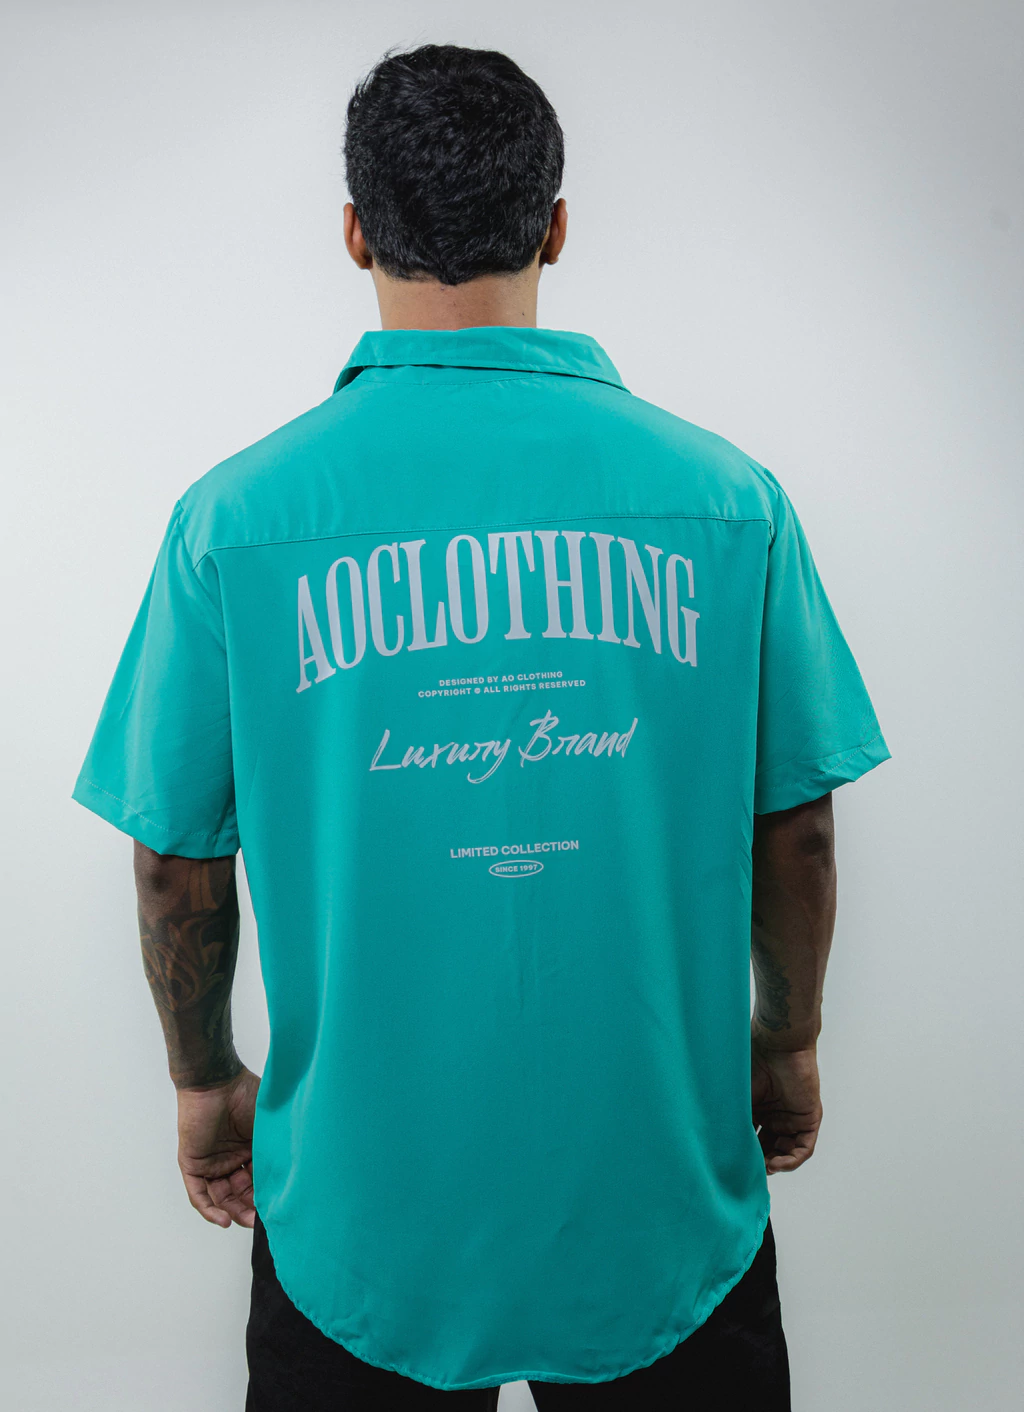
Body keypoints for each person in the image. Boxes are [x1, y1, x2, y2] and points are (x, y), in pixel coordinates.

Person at [73, 44, 890, 1411]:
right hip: (657, 1195)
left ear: (355, 232)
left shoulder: (237, 521)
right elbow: (795, 828)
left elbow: (174, 866)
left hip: (360, 1216)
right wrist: (789, 1040)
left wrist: (205, 1082)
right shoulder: (727, 500)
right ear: (555, 227)